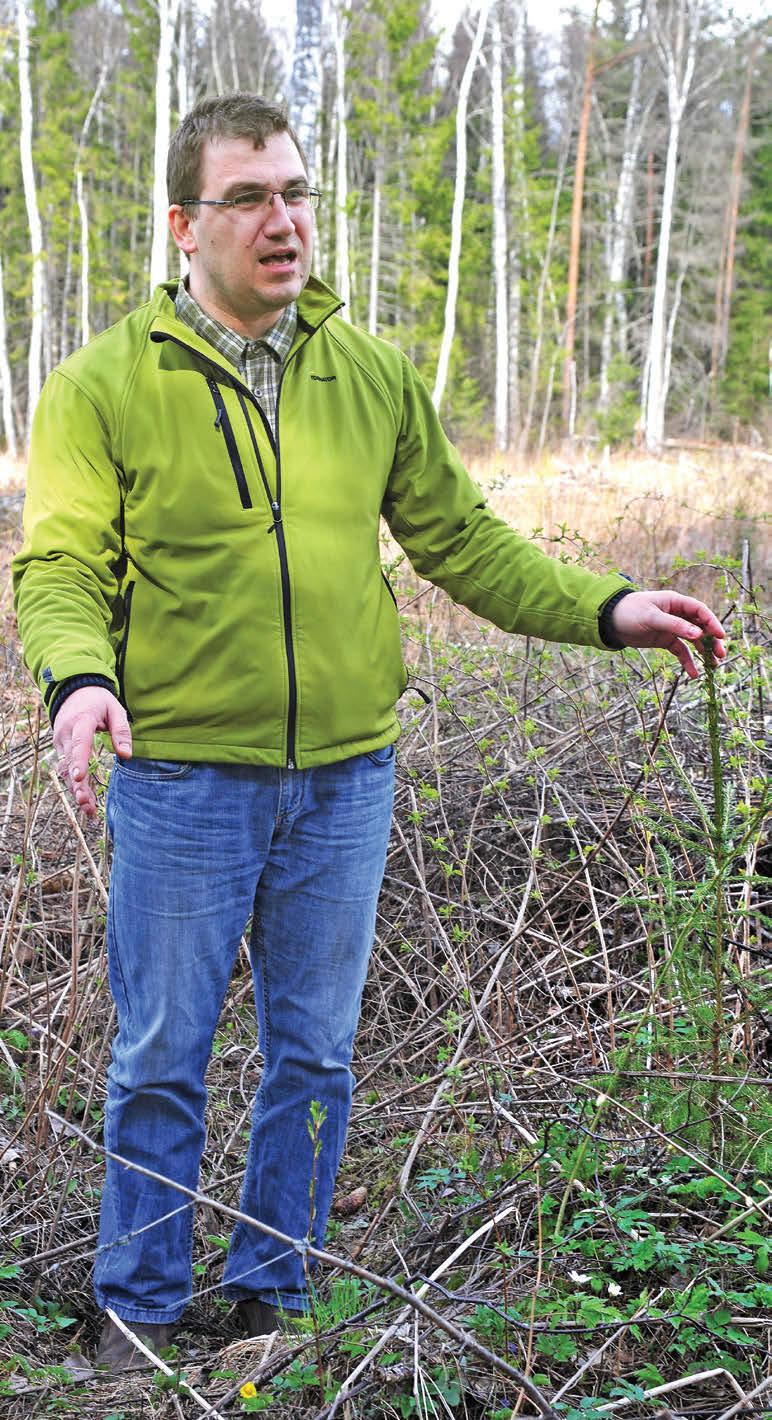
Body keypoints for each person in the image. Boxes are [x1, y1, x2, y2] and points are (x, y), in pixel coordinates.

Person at [12, 92, 726, 1371]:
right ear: (185, 224)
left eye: (296, 192)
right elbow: (60, 565)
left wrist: (609, 607)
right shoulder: (102, 386)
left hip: (344, 778)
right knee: (165, 1051)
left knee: (315, 1054)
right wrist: (78, 681)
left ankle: (275, 1295)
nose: (284, 221)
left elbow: (461, 540)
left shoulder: (368, 372)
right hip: (179, 777)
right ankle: (138, 1308)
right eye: (250, 198)